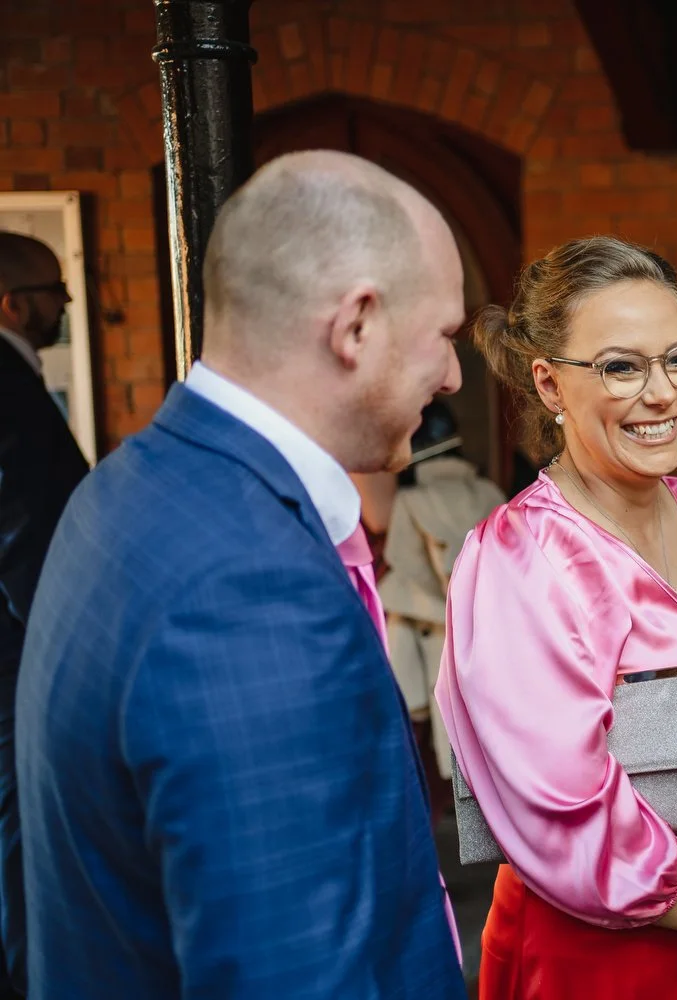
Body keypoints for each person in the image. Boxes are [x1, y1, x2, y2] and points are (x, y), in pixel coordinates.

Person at [17, 150, 468, 999]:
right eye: (443, 334)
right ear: (357, 326)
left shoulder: (128, 485)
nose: (451, 375)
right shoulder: (254, 593)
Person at [435, 236, 677, 1000]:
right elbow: (561, 799)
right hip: (607, 943)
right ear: (549, 384)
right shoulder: (519, 558)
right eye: (621, 367)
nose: (663, 393)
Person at [0, 233, 87, 997]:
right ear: (14, 303)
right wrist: (58, 649)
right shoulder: (7, 382)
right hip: (17, 657)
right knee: (18, 826)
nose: (64, 306)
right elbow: (23, 528)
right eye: (54, 293)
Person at [380, 399, 504, 803]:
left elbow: (404, 563)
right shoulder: (489, 491)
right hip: (490, 630)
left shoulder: (410, 501)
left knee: (450, 741)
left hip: (435, 631)